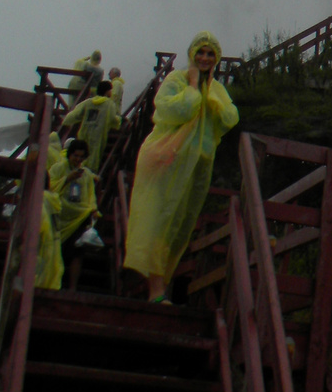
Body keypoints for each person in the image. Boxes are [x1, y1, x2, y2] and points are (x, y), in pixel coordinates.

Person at [125, 32, 238, 302]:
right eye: (200, 52)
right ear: (192, 54)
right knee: (157, 220)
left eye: (210, 54)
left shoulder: (216, 88)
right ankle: (155, 290)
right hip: (164, 160)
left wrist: (212, 99)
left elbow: (230, 117)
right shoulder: (176, 79)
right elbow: (166, 109)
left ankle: (159, 286)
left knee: (178, 224)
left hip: (195, 167)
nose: (205, 58)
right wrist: (192, 88)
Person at [50, 137, 99, 290]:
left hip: (78, 217)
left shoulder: (86, 174)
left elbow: (90, 194)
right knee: (55, 251)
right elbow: (49, 187)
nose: (77, 159)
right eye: (75, 156)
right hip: (59, 216)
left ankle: (72, 287)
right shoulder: (58, 168)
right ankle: (53, 283)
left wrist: (93, 209)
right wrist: (66, 179)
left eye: (81, 157)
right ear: (69, 154)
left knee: (77, 253)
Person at [63, 80, 119, 172]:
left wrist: (65, 122)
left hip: (84, 133)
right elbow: (113, 119)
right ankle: (89, 176)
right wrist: (119, 121)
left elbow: (75, 115)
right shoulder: (109, 104)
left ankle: (76, 171)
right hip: (98, 135)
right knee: (93, 157)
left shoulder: (88, 102)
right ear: (107, 91)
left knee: (81, 154)